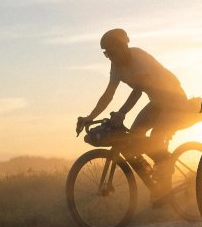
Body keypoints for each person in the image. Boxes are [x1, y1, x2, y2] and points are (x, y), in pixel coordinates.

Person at [76, 28, 188, 206]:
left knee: (156, 137)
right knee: (135, 136)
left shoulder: (138, 57)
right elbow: (108, 94)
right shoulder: (116, 65)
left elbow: (138, 89)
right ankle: (158, 175)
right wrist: (90, 116)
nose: (110, 57)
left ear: (123, 46)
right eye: (106, 54)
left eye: (112, 52)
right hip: (157, 102)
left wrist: (122, 113)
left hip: (174, 100)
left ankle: (165, 178)